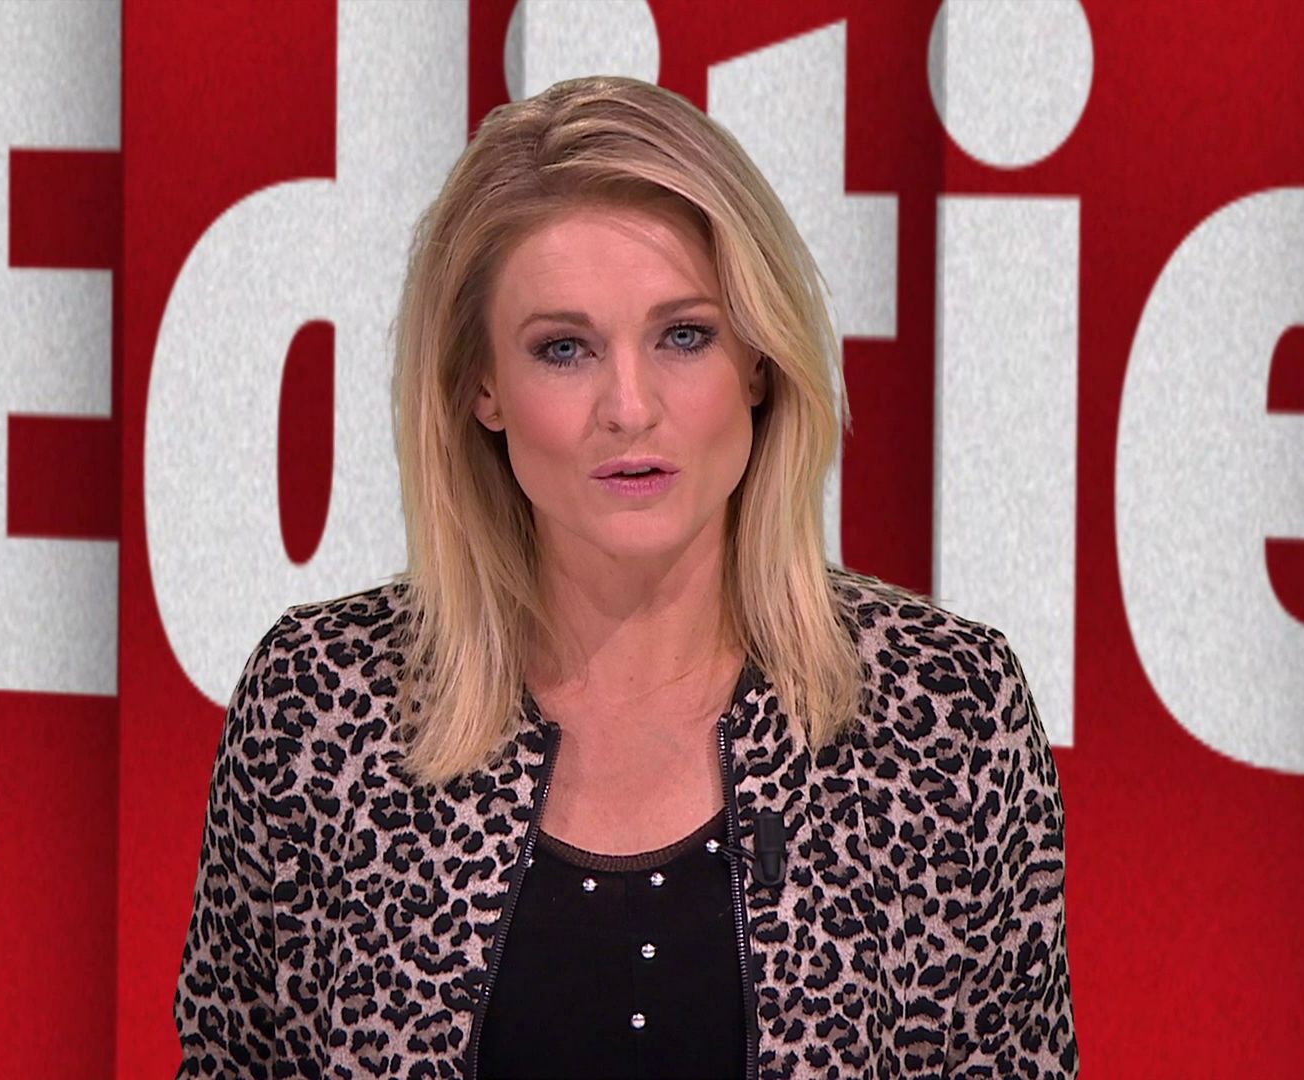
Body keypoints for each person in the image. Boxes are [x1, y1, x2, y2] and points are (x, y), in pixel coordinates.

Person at [174, 74, 1078, 1080]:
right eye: (564, 349)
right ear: (482, 386)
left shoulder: (945, 712)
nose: (630, 406)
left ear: (759, 361)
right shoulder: (323, 704)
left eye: (684, 335)